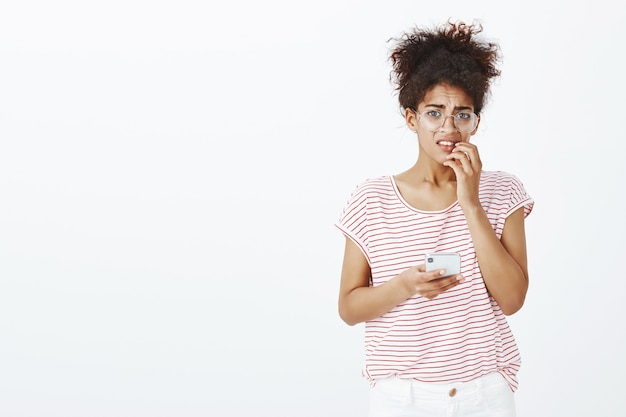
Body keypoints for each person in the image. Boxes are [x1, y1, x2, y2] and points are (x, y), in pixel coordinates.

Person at [335, 20, 533, 417]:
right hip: (400, 400)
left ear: (476, 121)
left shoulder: (503, 192)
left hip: (485, 397)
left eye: (462, 114)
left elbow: (512, 300)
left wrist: (471, 203)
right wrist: (406, 285)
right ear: (412, 119)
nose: (449, 128)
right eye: (434, 113)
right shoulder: (371, 200)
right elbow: (349, 308)